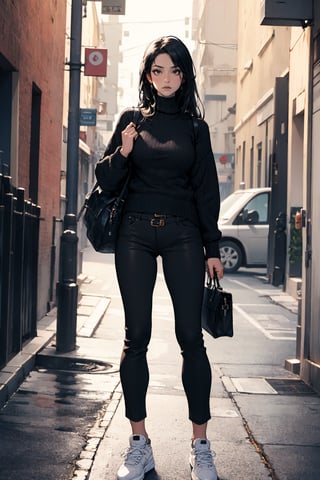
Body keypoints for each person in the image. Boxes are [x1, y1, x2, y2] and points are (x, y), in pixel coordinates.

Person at [95, 35, 224, 480]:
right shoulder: (132, 121)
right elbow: (106, 180)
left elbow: (207, 191)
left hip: (184, 235)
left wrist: (212, 247)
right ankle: (139, 443)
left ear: (185, 75)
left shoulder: (195, 128)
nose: (166, 79)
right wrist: (123, 152)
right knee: (137, 336)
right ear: (148, 75)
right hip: (134, 234)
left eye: (174, 70)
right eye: (158, 70)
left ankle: (200, 446)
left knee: (191, 336)